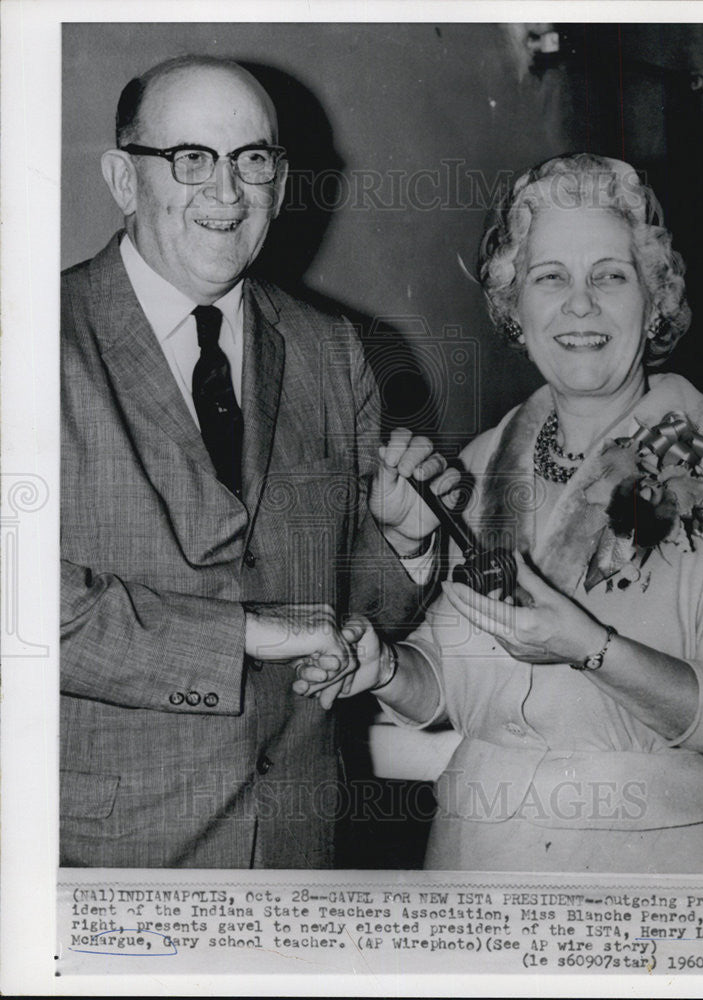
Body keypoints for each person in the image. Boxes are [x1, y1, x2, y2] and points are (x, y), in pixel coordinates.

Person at [296, 154, 703, 874]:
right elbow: (446, 685)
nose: (579, 305)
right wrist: (384, 667)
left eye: (609, 275)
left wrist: (592, 648)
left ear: (655, 299)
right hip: (473, 855)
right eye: (549, 278)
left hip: (650, 869)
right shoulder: (479, 463)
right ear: (515, 309)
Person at [60, 55, 450, 868]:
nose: (227, 192)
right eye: (191, 158)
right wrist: (245, 634)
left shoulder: (330, 348)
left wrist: (404, 547)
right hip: (104, 859)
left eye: (253, 159)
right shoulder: (33, 338)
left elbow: (348, 616)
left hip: (298, 848)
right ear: (123, 179)